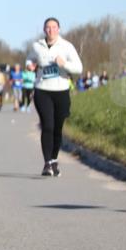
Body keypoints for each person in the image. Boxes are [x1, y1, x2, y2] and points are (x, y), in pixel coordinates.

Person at [31, 17, 83, 177]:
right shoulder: (37, 46)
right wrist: (29, 64)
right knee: (47, 125)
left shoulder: (66, 46)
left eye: (54, 27)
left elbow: (79, 68)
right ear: (44, 29)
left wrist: (64, 64)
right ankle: (47, 163)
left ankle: (54, 159)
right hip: (42, 89)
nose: (51, 30)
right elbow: (29, 59)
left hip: (61, 90)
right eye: (48, 27)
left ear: (58, 29)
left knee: (57, 128)